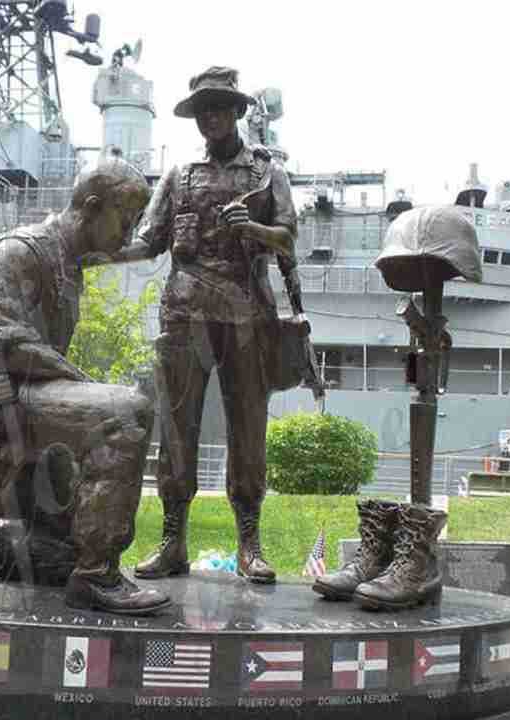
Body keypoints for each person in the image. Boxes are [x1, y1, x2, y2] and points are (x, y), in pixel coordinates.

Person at [0, 158, 170, 615]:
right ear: (92, 207)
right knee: (126, 411)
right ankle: (97, 576)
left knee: (46, 556)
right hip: (8, 399)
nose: (129, 233)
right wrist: (83, 383)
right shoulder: (23, 251)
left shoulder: (65, 260)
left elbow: (138, 250)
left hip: (34, 395)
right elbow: (8, 343)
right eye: (126, 218)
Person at [114, 67, 299, 583]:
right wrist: (90, 253)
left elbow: (288, 240)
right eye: (202, 110)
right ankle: (173, 541)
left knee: (248, 428)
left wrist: (255, 228)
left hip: (245, 314)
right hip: (184, 313)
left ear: (238, 111)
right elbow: (149, 240)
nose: (210, 117)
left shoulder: (267, 173)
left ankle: (250, 544)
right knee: (176, 428)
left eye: (219, 107)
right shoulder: (180, 174)